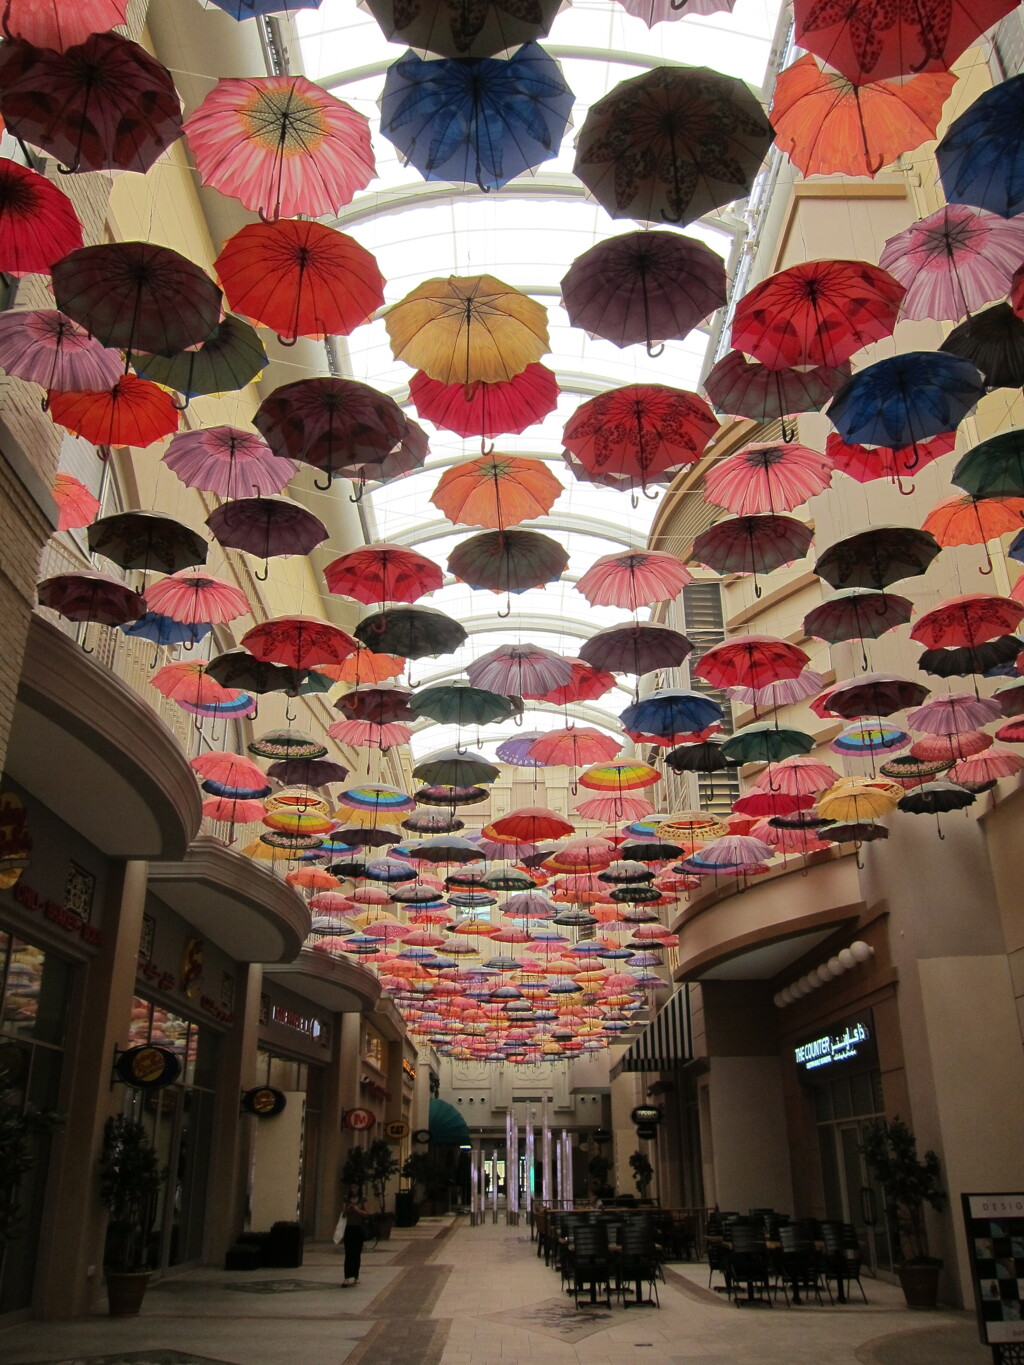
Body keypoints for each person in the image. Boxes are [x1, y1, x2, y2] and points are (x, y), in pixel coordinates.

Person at [341, 1185, 370, 1286]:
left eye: (355, 1187)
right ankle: (346, 1277)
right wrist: (348, 1209)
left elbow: (367, 1214)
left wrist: (357, 1210)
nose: (353, 1189)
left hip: (359, 1228)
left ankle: (356, 1276)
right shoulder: (346, 1199)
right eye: (352, 1187)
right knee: (348, 1253)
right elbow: (343, 1214)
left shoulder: (362, 1199)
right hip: (349, 1228)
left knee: (357, 1253)